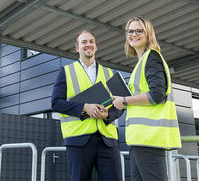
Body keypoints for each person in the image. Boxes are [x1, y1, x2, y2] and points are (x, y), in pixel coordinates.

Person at [113, 17, 181, 181]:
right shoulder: (142, 61)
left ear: (148, 34)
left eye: (139, 30)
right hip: (139, 139)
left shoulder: (152, 57)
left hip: (149, 138)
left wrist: (124, 100)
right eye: (130, 31)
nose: (133, 34)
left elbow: (157, 95)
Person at [52, 30, 123, 181]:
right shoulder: (66, 72)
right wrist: (84, 107)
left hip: (107, 141)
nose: (88, 45)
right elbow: (56, 103)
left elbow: (121, 104)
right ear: (77, 48)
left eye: (91, 42)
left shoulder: (110, 73)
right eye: (84, 42)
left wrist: (108, 115)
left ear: (96, 47)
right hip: (78, 141)